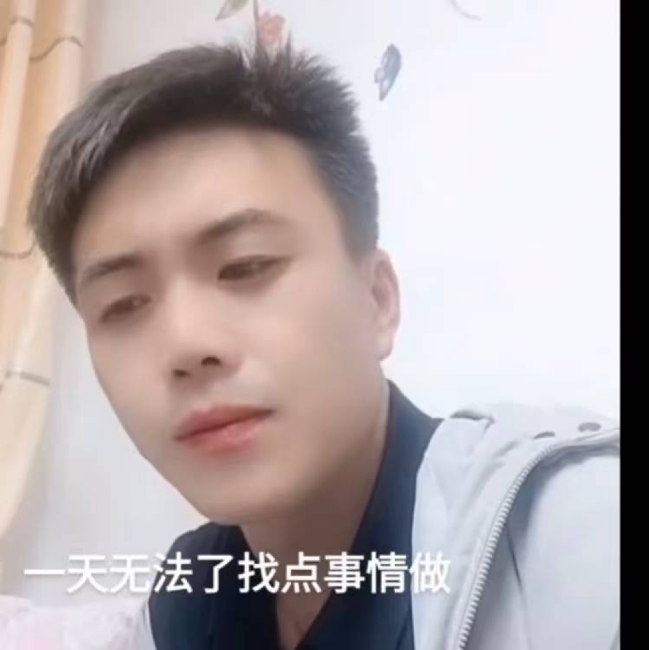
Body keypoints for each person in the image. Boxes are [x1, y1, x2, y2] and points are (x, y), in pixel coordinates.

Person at [27, 42, 620, 650]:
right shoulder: (184, 602)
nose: (187, 344)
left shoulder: (574, 536)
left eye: (245, 265)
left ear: (377, 300)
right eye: (124, 303)